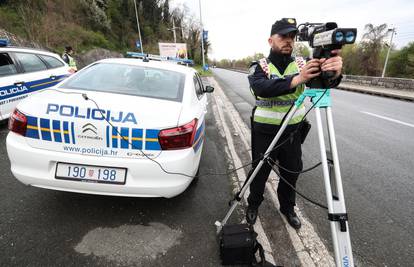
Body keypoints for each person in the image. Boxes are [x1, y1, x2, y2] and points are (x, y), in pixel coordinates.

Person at [245, 18, 343, 229]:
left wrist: (334, 71)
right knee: (259, 172)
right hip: (265, 133)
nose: (288, 40)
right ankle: (253, 204)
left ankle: (287, 208)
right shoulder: (259, 66)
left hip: (292, 133)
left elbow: (326, 82)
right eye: (283, 36)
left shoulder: (302, 63)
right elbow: (262, 88)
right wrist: (297, 79)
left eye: (292, 36)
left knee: (291, 172)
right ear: (271, 40)